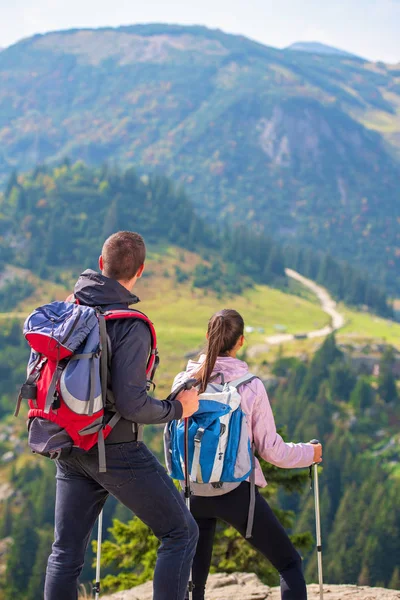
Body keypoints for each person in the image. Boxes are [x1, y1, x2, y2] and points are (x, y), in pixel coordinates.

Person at [44, 231, 199, 600]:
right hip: (114, 449)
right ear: (140, 270)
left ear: (101, 264)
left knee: (64, 553)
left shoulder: (70, 308)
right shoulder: (130, 324)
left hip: (68, 443)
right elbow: (132, 405)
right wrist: (179, 408)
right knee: (181, 533)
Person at [171, 309, 323, 600]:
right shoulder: (250, 385)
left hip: (192, 493)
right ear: (240, 341)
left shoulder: (183, 380)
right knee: (289, 563)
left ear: (207, 336)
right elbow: (272, 451)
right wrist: (311, 453)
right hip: (236, 494)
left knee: (195, 581)